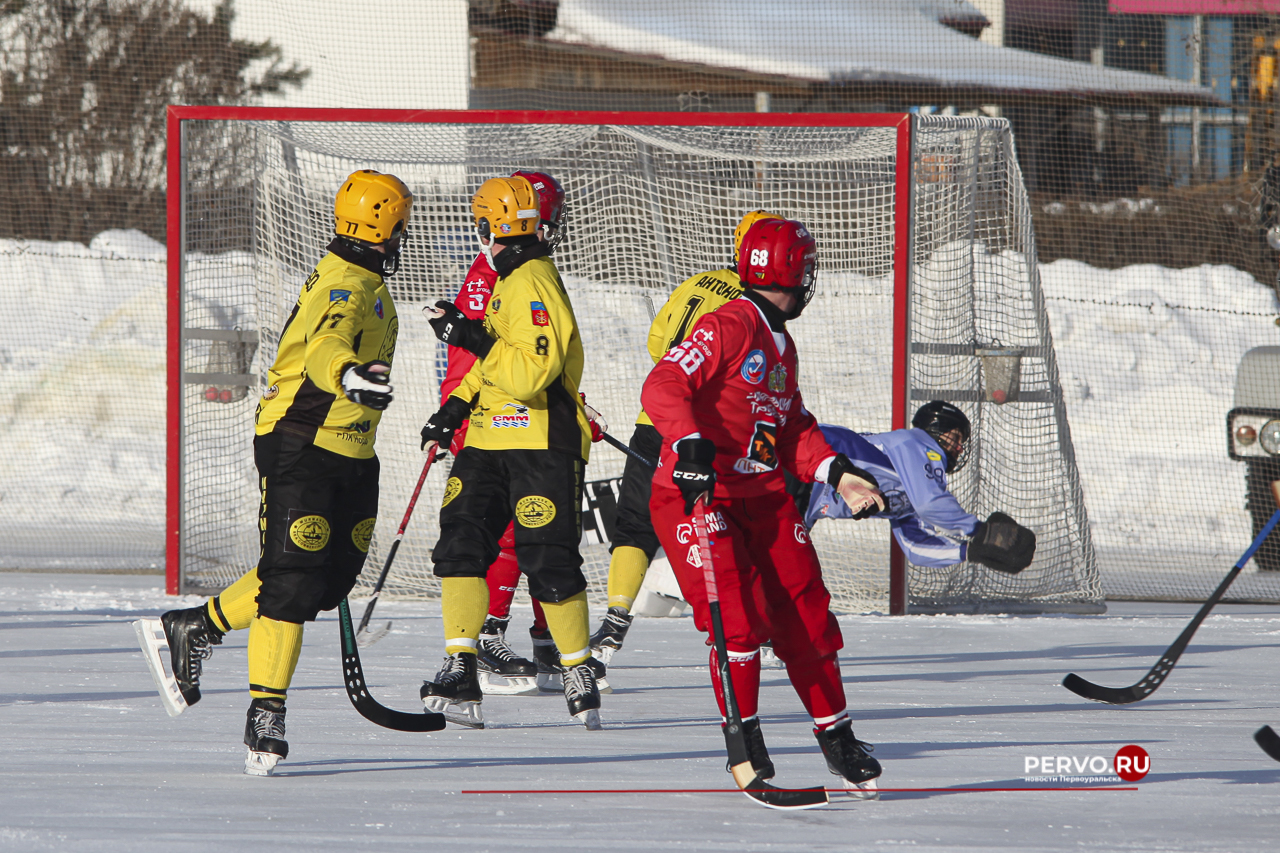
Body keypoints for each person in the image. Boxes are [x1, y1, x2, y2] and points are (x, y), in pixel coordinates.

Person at [135, 170, 412, 776]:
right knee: (290, 579)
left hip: (353, 452)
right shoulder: (347, 283)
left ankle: (195, 626)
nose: (404, 239)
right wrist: (349, 375)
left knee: (323, 581)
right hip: (303, 445)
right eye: (400, 227)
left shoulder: (363, 277)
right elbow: (327, 346)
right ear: (383, 227)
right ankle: (267, 712)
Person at [640, 217, 888, 797]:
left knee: (806, 610)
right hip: (698, 496)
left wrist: (838, 472)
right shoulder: (727, 324)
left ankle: (837, 734)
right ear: (786, 273)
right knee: (740, 618)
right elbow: (662, 386)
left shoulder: (783, 343)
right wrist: (690, 442)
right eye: (804, 270)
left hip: (763, 497)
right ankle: (745, 739)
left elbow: (791, 425)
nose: (809, 281)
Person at [418, 174, 603, 730]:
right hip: (489, 436)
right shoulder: (508, 278)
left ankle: (576, 667)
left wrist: (468, 336)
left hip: (541, 440)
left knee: (547, 556)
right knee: (460, 543)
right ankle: (461, 665)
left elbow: (530, 373)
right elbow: (497, 367)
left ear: (488, 226)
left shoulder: (532, 281)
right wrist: (455, 407)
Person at [589, 209, 782, 663]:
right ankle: (743, 625)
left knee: (633, 527)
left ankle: (614, 625)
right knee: (725, 522)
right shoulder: (752, 306)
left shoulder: (698, 282)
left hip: (652, 420)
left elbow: (659, 344)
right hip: (705, 431)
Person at [799, 401, 1037, 575]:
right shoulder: (917, 443)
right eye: (956, 437)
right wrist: (977, 529)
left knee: (781, 567)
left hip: (809, 500)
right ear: (937, 430)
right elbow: (929, 504)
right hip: (805, 459)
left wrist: (970, 552)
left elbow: (916, 546)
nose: (960, 448)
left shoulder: (914, 484)